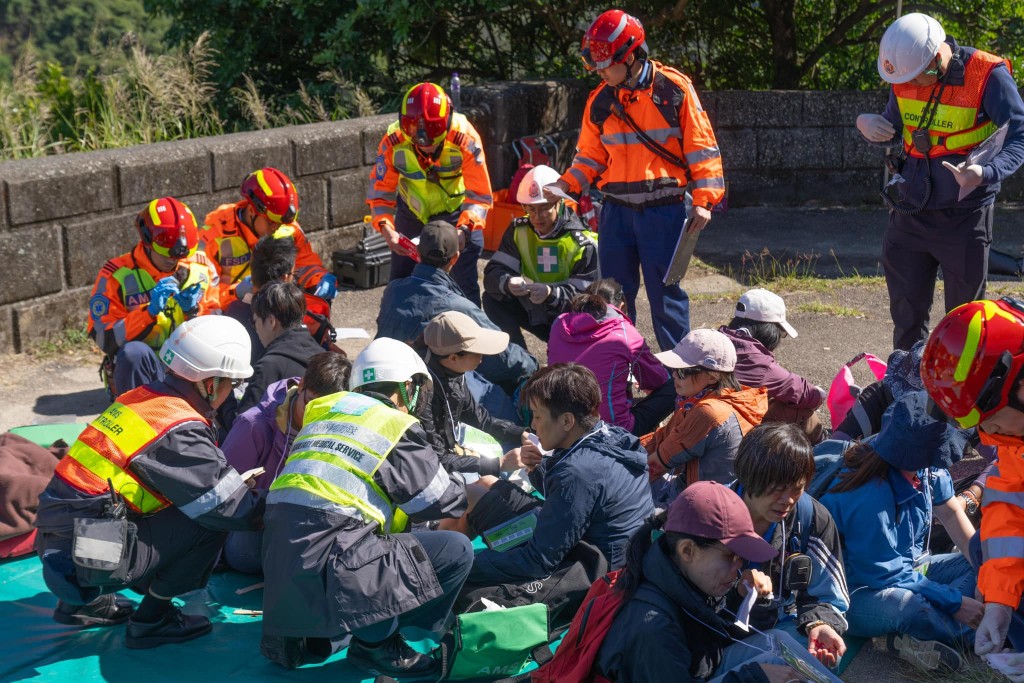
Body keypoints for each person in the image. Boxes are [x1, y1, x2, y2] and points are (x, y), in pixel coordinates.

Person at [34, 316, 264, 648]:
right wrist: (274, 508)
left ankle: (81, 602)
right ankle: (153, 619)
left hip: (54, 540)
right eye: (231, 383)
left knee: (160, 505)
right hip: (86, 554)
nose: (230, 393)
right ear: (211, 382)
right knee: (209, 520)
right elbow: (230, 506)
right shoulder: (178, 428)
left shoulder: (140, 399)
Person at [260, 337, 471, 677]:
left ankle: (309, 631)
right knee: (455, 549)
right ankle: (376, 644)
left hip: (282, 567)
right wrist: (473, 483)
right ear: (407, 387)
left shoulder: (328, 411)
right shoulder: (392, 423)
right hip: (334, 559)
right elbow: (440, 500)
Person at [550, 9, 725, 352]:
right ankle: (618, 367)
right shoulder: (600, 100)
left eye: (605, 63)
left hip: (665, 211)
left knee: (667, 297)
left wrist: (705, 201)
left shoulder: (673, 89)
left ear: (629, 56)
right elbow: (589, 156)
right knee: (611, 296)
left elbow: (702, 149)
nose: (600, 70)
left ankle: (681, 380)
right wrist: (564, 187)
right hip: (616, 212)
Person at [855, 12, 1024, 350]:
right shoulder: (905, 72)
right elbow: (897, 122)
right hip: (909, 211)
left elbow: (1019, 136)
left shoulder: (988, 75)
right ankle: (906, 386)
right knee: (907, 316)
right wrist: (869, 124)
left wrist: (984, 173)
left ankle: (956, 395)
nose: (913, 85)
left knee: (964, 324)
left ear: (937, 57)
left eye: (920, 77)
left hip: (965, 217)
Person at [594, 480, 843, 683]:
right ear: (688, 550)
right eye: (730, 557)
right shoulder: (652, 628)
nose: (739, 568)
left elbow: (719, 637)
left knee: (777, 642)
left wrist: (746, 601)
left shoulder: (689, 577)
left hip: (702, 667)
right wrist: (753, 678)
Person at [819, 391, 980, 672]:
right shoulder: (869, 494)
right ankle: (974, 633)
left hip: (910, 570)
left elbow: (952, 512)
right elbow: (883, 574)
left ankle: (915, 635)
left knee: (981, 564)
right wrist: (955, 602)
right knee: (914, 609)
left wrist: (985, 567)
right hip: (855, 592)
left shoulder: (925, 467)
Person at [466, 363, 654, 585]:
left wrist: (465, 566)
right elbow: (575, 501)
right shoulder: (611, 435)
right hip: (610, 549)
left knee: (462, 573)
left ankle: (443, 561)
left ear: (566, 421)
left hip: (599, 574)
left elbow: (538, 561)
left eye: (536, 416)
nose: (532, 426)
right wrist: (536, 467)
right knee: (479, 488)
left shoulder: (578, 472)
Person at [922, 297, 1024, 680]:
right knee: (986, 547)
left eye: (990, 419)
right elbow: (1010, 512)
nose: (985, 435)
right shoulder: (1018, 439)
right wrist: (999, 601)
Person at [729, 423, 849, 668]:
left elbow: (829, 596)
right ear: (749, 476)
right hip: (712, 638)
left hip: (775, 629)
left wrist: (819, 624)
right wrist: (735, 591)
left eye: (797, 488)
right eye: (777, 490)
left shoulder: (812, 518)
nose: (788, 501)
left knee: (812, 650)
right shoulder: (709, 515)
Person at [220, 351, 351, 573]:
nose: (316, 416)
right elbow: (220, 495)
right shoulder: (254, 425)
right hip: (252, 532)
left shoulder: (340, 428)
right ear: (300, 387)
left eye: (327, 411)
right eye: (311, 405)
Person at [376, 220, 537, 399]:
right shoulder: (457, 306)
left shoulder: (393, 289)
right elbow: (504, 360)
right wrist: (533, 365)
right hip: (431, 393)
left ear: (418, 254)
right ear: (455, 258)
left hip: (387, 379)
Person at [367, 82, 492, 305]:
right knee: (400, 286)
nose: (425, 145)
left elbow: (480, 196)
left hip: (456, 215)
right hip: (411, 215)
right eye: (416, 137)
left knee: (464, 285)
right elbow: (380, 193)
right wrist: (387, 229)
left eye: (434, 136)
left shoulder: (466, 139)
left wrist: (465, 230)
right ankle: (396, 333)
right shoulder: (393, 142)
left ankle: (470, 331)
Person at [88, 196, 220, 397]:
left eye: (179, 256)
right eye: (167, 254)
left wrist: (194, 313)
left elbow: (220, 331)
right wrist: (147, 314)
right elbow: (103, 338)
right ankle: (136, 419)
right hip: (144, 370)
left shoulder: (201, 268)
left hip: (188, 370)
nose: (173, 260)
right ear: (148, 242)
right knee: (133, 353)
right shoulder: (116, 275)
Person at [482, 164, 598, 347]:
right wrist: (507, 283)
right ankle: (519, 363)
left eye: (544, 208)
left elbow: (589, 301)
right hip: (536, 310)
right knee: (492, 299)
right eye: (531, 209)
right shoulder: (518, 230)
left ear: (559, 203)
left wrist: (551, 293)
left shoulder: (584, 242)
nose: (537, 216)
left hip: (570, 319)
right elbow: (492, 275)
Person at [646, 329, 767, 503]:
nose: (674, 375)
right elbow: (662, 438)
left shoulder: (709, 412)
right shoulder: (728, 398)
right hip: (706, 494)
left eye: (682, 371)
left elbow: (657, 464)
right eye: (673, 368)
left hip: (700, 505)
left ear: (712, 376)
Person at [548, 279, 675, 436]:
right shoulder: (623, 331)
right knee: (673, 387)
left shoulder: (559, 324)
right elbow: (656, 380)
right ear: (620, 305)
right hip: (613, 432)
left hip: (564, 429)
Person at [200, 166, 336, 307]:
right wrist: (236, 292)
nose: (276, 227)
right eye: (271, 222)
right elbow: (202, 296)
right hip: (232, 312)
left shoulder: (287, 227)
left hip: (275, 306)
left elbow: (306, 264)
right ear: (252, 210)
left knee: (318, 308)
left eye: (280, 223)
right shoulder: (215, 234)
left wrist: (320, 278)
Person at [419, 311, 526, 476]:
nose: (482, 358)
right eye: (477, 352)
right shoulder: (422, 393)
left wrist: (520, 434)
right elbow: (436, 459)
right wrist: (498, 464)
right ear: (454, 358)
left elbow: (479, 418)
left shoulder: (454, 373)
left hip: (449, 450)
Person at [719, 288, 826, 443]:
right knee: (798, 411)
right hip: (731, 438)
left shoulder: (714, 340)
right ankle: (823, 449)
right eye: (780, 333)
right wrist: (819, 394)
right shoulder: (758, 363)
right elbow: (803, 392)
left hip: (697, 425)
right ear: (768, 330)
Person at [223, 234, 336, 362]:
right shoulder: (297, 318)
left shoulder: (231, 312)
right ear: (284, 279)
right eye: (294, 274)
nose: (294, 280)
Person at [236, 281, 325, 415]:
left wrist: (225, 399)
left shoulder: (269, 367)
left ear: (271, 321)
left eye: (255, 322)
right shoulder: (325, 358)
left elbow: (241, 425)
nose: (256, 329)